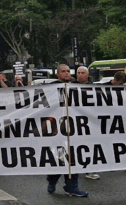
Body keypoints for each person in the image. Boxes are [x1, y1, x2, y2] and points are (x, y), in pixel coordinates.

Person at [46, 64, 88, 197]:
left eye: (68, 71)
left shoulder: (76, 87)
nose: (66, 73)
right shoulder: (51, 87)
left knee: (73, 159)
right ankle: (52, 180)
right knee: (60, 158)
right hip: (58, 130)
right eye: (63, 71)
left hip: (74, 130)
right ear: (58, 74)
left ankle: (71, 186)